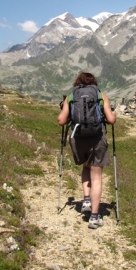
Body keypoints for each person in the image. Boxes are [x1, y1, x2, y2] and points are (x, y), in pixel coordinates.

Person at [57, 72, 117, 229]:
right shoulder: (100, 95)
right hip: (97, 138)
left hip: (78, 139)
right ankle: (95, 217)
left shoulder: (71, 96)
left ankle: (86, 199)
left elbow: (61, 121)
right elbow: (110, 120)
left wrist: (65, 108)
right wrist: (114, 114)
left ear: (77, 82)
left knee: (85, 167)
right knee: (96, 176)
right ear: (94, 83)